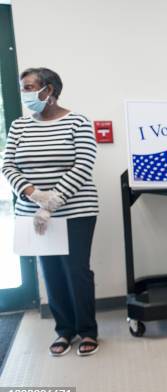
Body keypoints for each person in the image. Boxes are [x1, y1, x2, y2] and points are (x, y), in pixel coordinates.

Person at [2, 68, 99, 356]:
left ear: (49, 90)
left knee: (76, 271)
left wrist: (52, 202)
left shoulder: (78, 122)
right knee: (51, 272)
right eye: (23, 87)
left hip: (76, 209)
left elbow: (83, 165)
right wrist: (33, 193)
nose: (25, 93)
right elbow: (8, 166)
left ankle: (87, 331)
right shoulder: (19, 126)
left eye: (30, 87)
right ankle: (65, 330)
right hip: (31, 211)